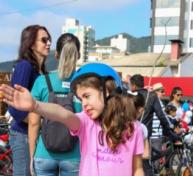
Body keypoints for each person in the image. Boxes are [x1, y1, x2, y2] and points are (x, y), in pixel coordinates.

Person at [0, 63, 145, 176]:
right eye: (81, 99)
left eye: (87, 96)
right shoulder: (86, 123)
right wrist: (36, 105)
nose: (84, 104)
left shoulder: (135, 129)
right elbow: (63, 114)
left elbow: (137, 169)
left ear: (107, 91)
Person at [28, 33, 81, 176]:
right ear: (79, 55)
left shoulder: (41, 81)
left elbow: (34, 123)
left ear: (56, 55)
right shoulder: (84, 84)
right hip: (75, 156)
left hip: (44, 154)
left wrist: (32, 156)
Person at [8, 25, 51, 176]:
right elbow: (13, 107)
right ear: (31, 44)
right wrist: (35, 121)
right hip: (22, 135)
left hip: (37, 135)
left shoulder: (43, 72)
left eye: (49, 39)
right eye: (44, 40)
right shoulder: (25, 67)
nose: (49, 43)